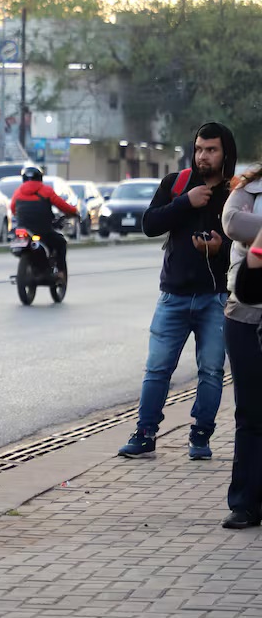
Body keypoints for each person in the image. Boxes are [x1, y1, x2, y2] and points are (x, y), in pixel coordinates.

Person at [118, 121, 235, 460]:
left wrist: (220, 248)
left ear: (225, 153)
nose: (203, 156)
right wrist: (185, 202)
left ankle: (201, 434)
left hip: (216, 297)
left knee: (211, 370)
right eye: (198, 149)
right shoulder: (177, 184)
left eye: (211, 150)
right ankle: (145, 433)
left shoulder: (235, 193)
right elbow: (149, 224)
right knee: (157, 369)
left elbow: (246, 244)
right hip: (174, 295)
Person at [219, 164, 262, 528]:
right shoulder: (251, 186)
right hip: (246, 312)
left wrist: (257, 229)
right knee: (249, 412)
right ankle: (245, 503)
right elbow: (232, 222)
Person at [8, 166, 77, 278]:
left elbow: (12, 209)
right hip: (43, 229)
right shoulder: (46, 191)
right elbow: (63, 206)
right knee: (61, 243)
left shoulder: (18, 192)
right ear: (40, 178)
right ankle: (60, 272)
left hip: (23, 229)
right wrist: (74, 212)